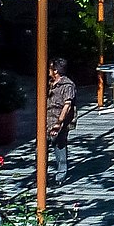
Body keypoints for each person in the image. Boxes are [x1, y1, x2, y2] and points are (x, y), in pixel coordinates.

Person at [46, 58, 76, 186]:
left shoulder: (67, 85)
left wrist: (59, 122)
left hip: (58, 121)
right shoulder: (50, 83)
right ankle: (42, 175)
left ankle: (60, 176)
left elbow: (67, 105)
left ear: (56, 70)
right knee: (40, 148)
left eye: (50, 68)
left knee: (59, 147)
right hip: (46, 120)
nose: (49, 70)